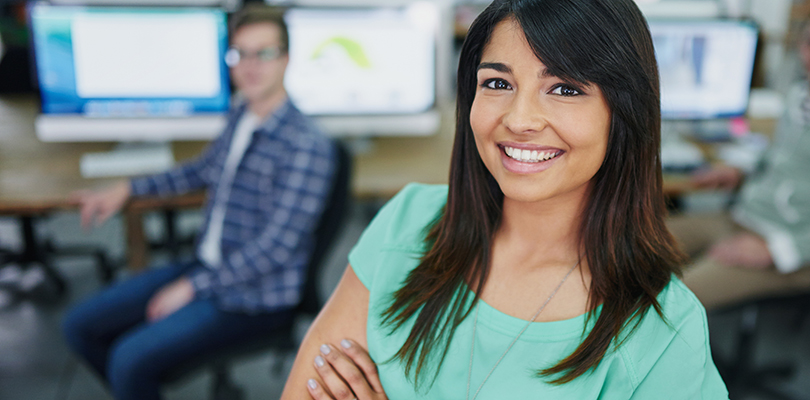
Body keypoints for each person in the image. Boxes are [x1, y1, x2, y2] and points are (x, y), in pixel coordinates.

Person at [280, 0, 727, 399]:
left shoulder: (665, 332)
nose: (520, 119)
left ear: (625, 112)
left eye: (565, 89)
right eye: (497, 83)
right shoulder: (408, 221)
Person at [62, 5, 336, 400]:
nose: (250, 66)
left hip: (254, 297)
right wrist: (129, 188)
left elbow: (275, 248)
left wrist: (190, 287)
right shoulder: (241, 112)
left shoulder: (306, 146)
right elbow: (202, 170)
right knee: (79, 326)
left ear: (287, 58)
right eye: (239, 53)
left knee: (128, 359)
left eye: (265, 52)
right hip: (209, 264)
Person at [670, 20, 810, 310]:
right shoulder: (800, 96)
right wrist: (740, 168)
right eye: (807, 43)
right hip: (746, 218)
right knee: (627, 245)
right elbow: (782, 155)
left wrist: (776, 251)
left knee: (673, 302)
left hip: (790, 249)